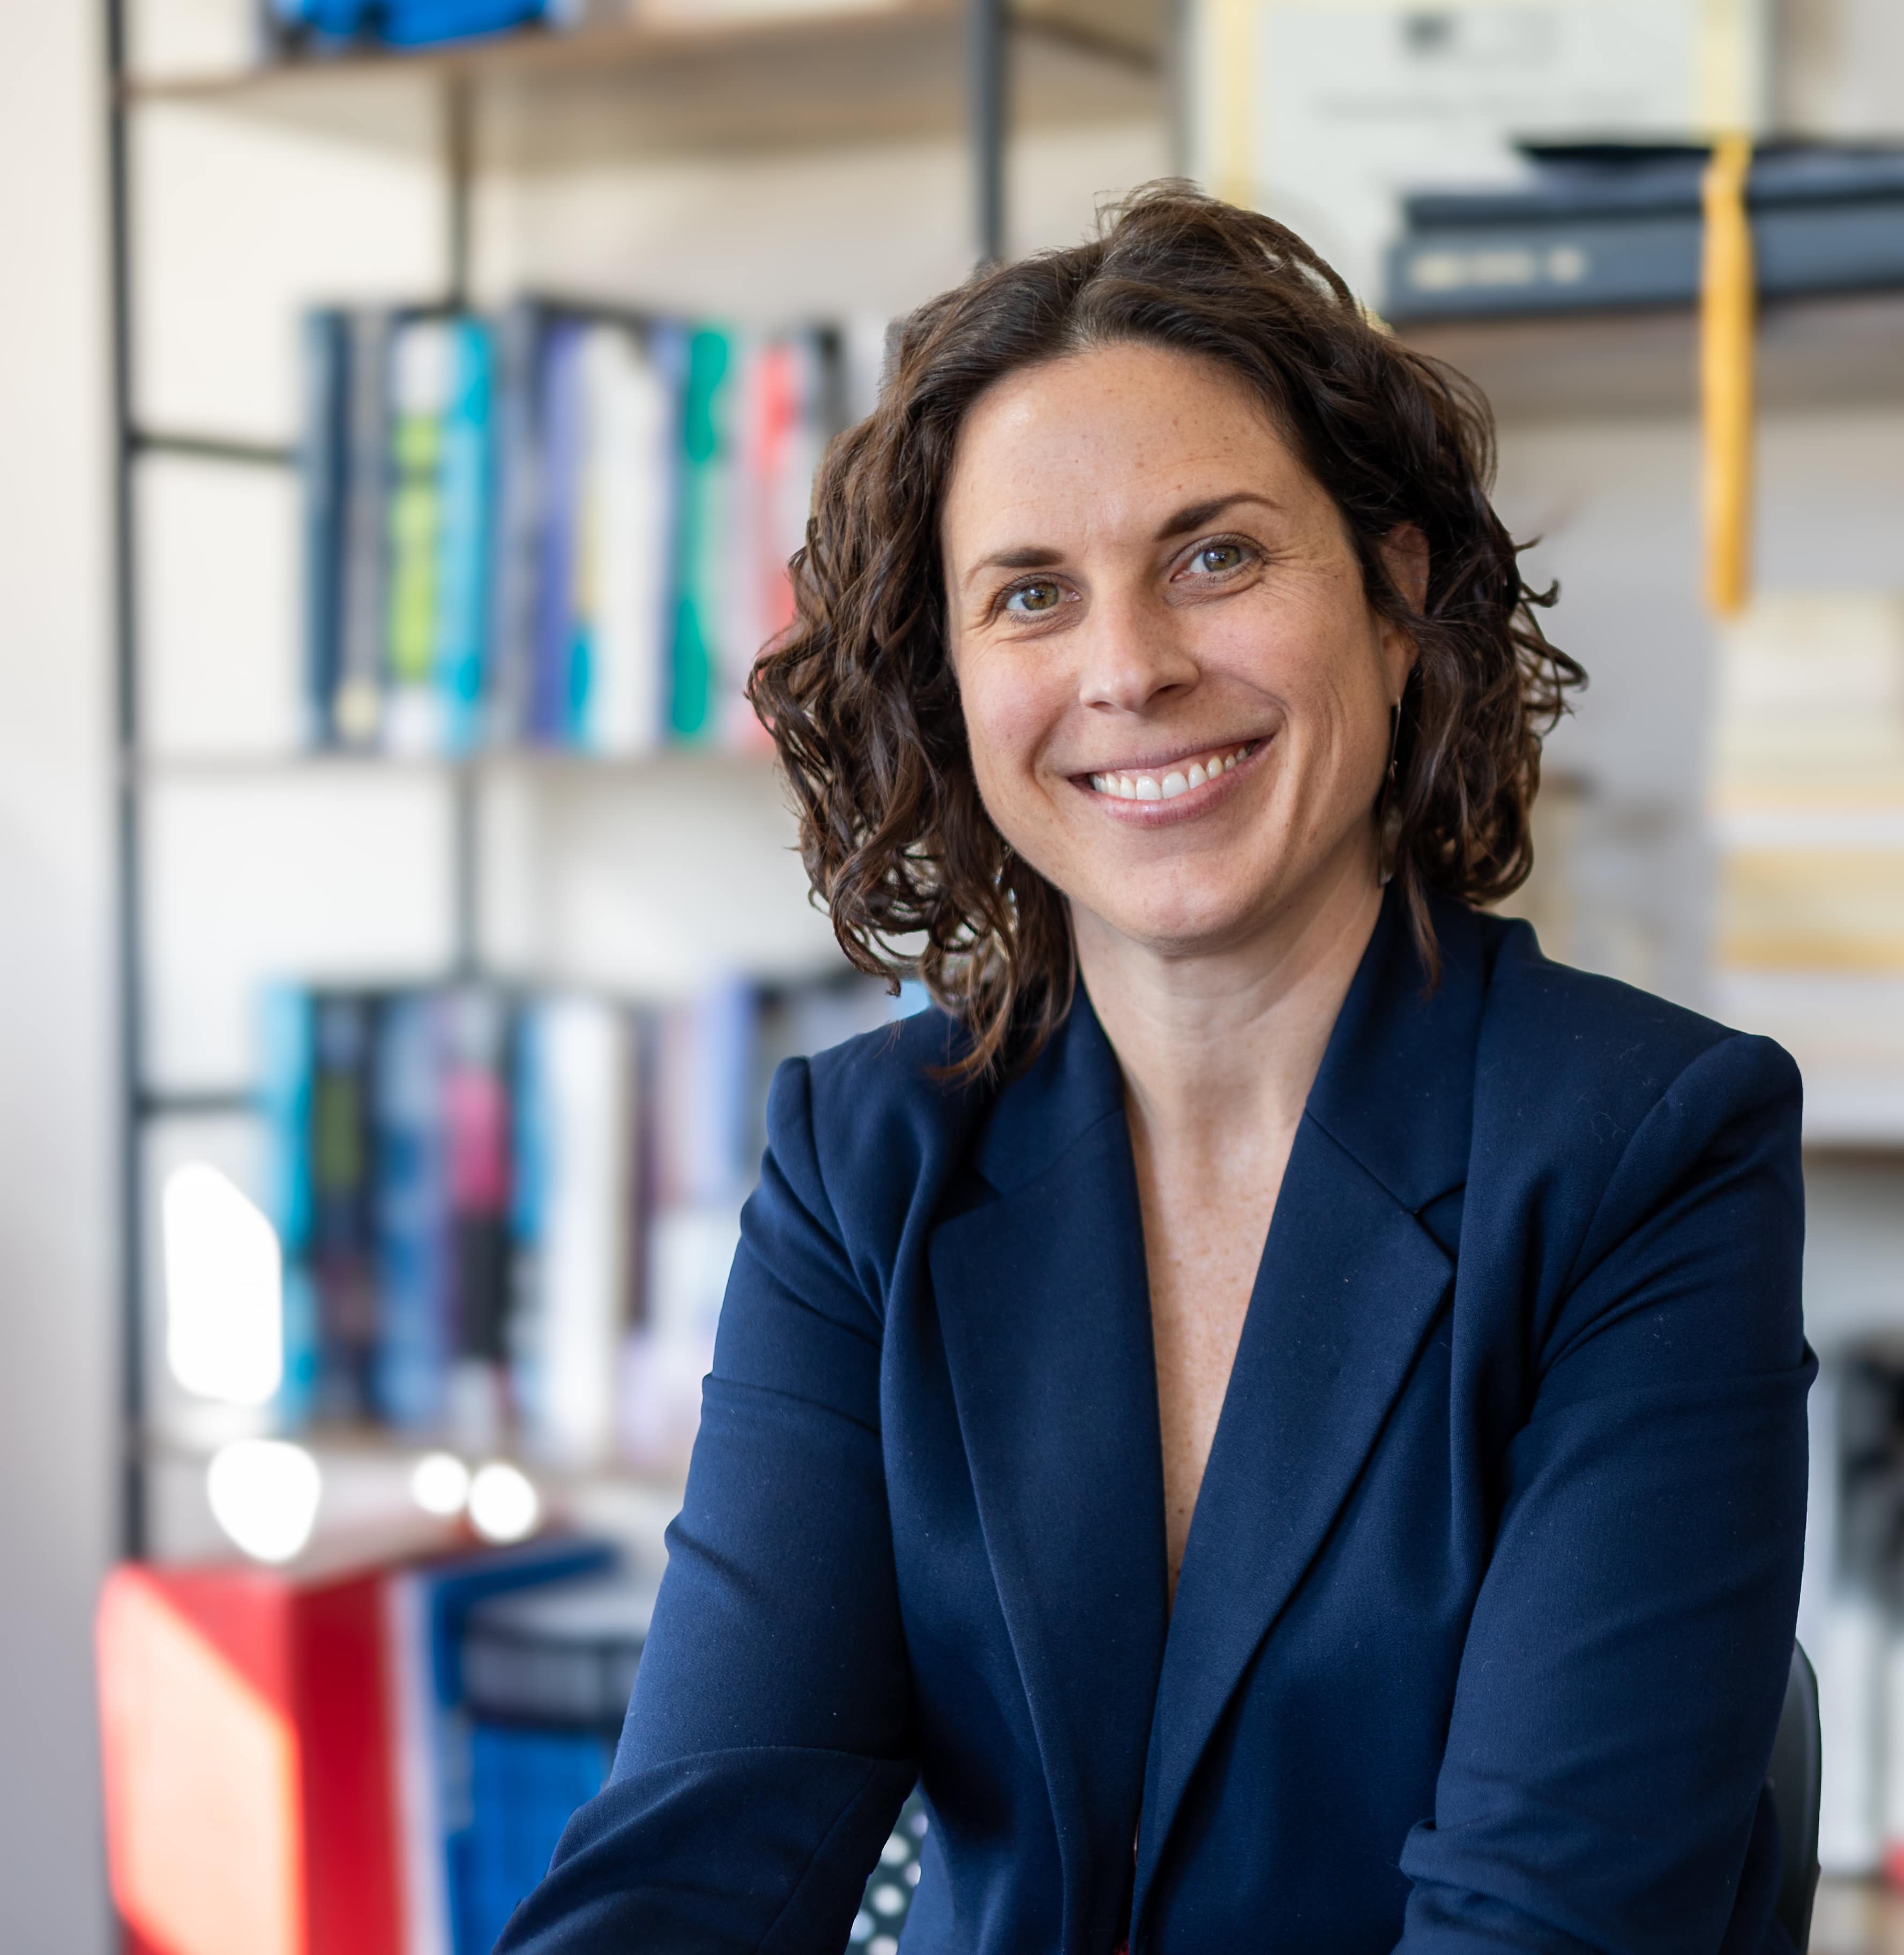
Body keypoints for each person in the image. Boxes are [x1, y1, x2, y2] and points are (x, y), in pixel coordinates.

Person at [497, 185, 1810, 1955]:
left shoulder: (1647, 1153)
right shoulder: (866, 1163)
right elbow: (696, 1861)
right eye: (1030, 596)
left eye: (1217, 557)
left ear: (1393, 592)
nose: (1130, 669)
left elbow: (1544, 1931)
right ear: (951, 683)